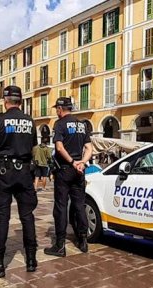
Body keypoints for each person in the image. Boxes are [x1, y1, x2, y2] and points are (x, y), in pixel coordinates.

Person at [0, 85, 39, 276]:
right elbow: (33, 148)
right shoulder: (30, 121)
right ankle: (31, 260)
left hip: (5, 172)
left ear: (5, 101)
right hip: (25, 172)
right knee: (27, 216)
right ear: (20, 101)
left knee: (2, 217)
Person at [44, 97, 93, 257]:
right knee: (79, 204)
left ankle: (60, 245)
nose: (56, 112)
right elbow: (89, 148)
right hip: (79, 171)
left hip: (65, 170)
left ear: (60, 108)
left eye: (56, 109)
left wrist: (72, 162)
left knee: (61, 206)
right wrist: (82, 163)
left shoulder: (60, 124)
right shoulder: (82, 124)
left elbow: (59, 147)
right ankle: (83, 240)